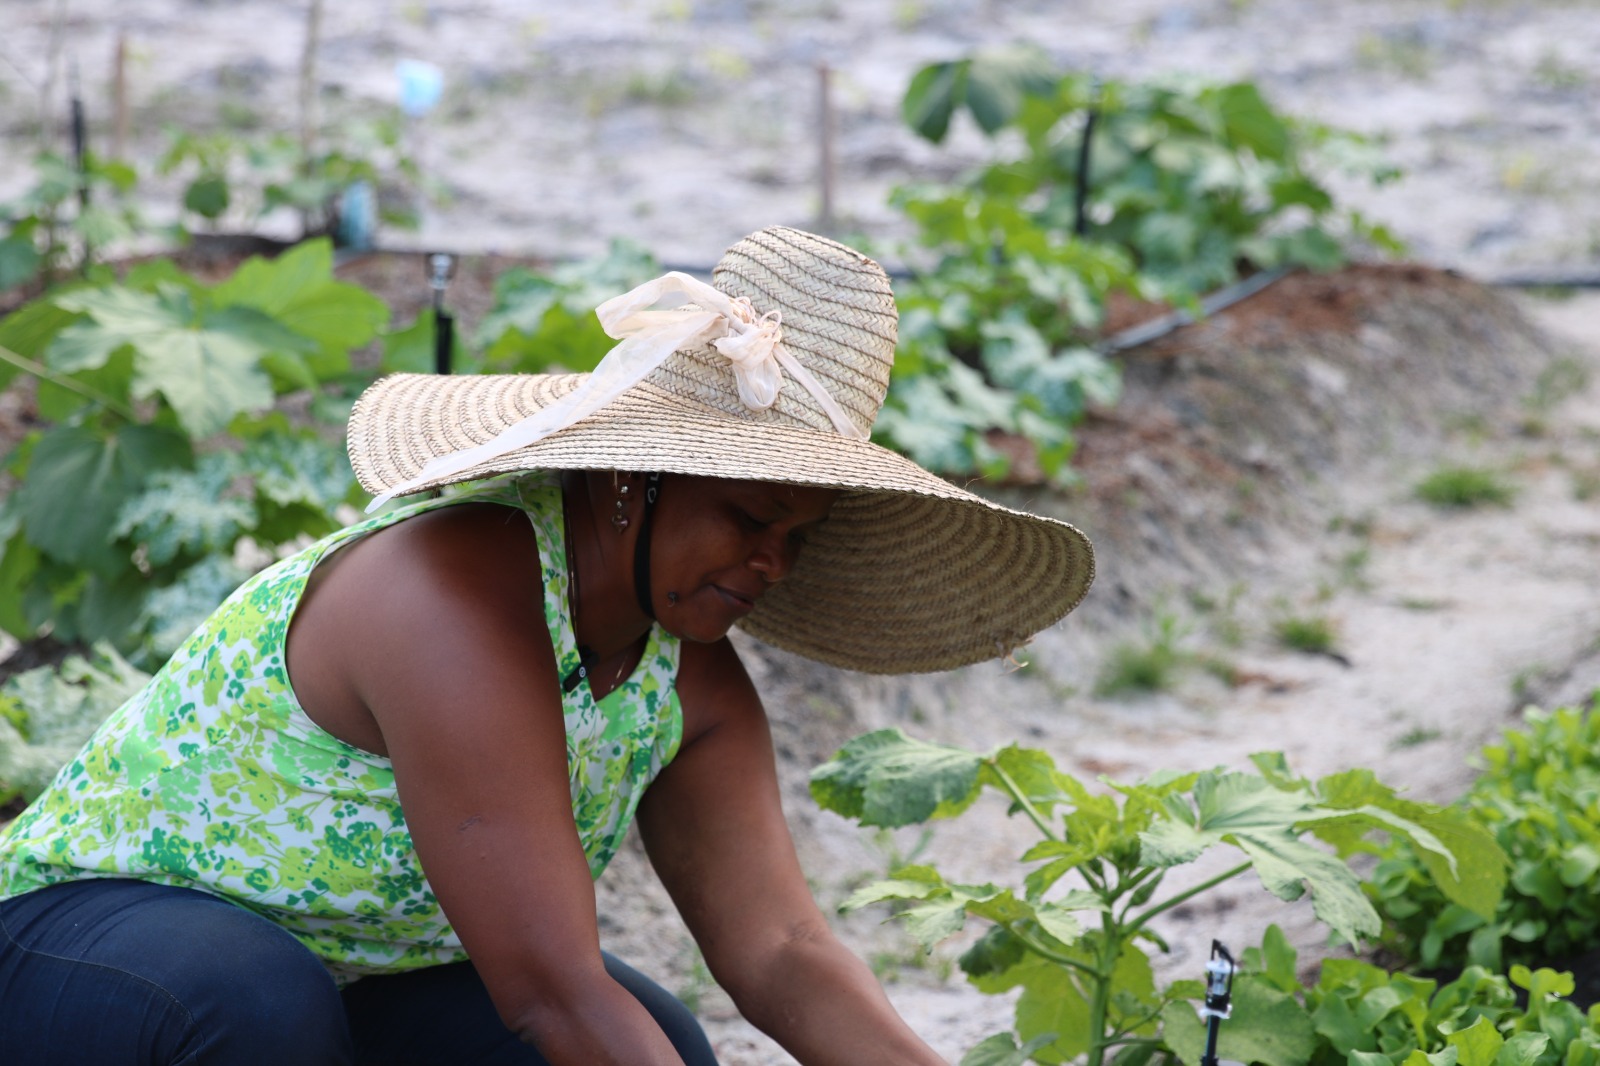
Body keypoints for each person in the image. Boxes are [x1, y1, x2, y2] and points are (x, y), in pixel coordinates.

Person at [0, 226, 1095, 1064]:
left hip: (344, 986)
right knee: (253, 997)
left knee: (665, 1037)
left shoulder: (690, 681)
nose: (771, 562)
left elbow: (780, 951)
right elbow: (551, 989)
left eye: (797, 538)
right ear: (631, 476)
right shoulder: (451, 592)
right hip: (93, 956)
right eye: (749, 517)